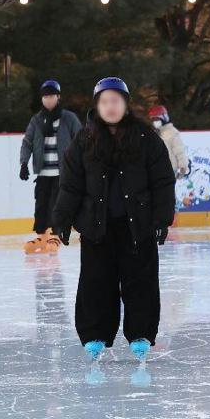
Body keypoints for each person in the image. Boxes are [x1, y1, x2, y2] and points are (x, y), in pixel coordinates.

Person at [52, 77, 176, 363]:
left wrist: (161, 219)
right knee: (96, 283)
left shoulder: (145, 138)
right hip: (98, 228)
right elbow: (71, 185)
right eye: (105, 101)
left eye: (116, 101)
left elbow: (162, 181)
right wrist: (62, 219)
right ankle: (95, 335)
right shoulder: (83, 141)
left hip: (138, 226)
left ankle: (141, 335)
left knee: (140, 282)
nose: (110, 107)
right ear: (97, 105)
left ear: (125, 104)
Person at [19, 80, 82, 254]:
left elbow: (81, 140)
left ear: (58, 97)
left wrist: (80, 164)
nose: (48, 99)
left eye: (51, 96)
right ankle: (41, 236)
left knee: (57, 205)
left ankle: (56, 234)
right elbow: (27, 142)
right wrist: (24, 163)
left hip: (63, 171)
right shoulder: (37, 120)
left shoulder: (68, 118)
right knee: (41, 205)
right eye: (45, 96)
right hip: (43, 172)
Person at [148, 105, 190, 177]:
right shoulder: (154, 134)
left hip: (169, 169)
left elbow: (179, 150)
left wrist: (183, 166)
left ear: (164, 118)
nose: (155, 122)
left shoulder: (172, 132)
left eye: (157, 119)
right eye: (153, 120)